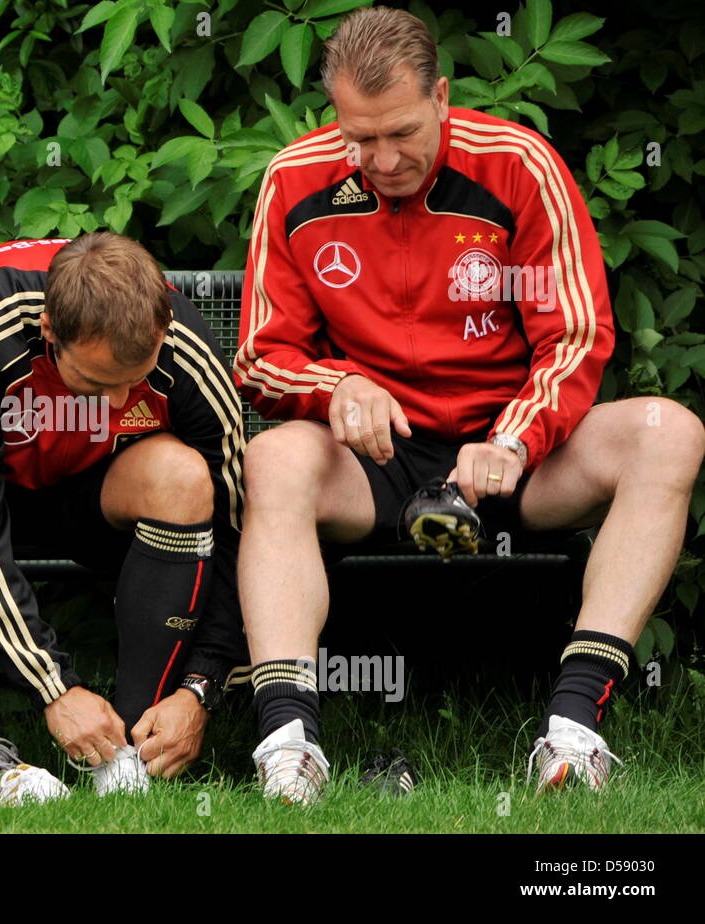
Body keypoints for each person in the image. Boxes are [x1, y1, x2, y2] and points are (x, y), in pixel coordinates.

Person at [233, 6, 704, 803]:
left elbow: (577, 336)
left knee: (670, 433)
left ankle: (572, 733)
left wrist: (515, 439)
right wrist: (334, 387)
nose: (380, 159)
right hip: (375, 458)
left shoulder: (519, 164)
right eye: (360, 136)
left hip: (515, 453)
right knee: (273, 456)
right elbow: (260, 355)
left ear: (443, 97)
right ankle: (289, 746)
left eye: (402, 133)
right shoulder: (294, 179)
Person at [0, 232, 247, 811]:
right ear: (50, 331)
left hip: (95, 490)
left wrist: (200, 686)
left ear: (162, 334)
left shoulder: (186, 345)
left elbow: (236, 525)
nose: (119, 400)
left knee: (182, 477)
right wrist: (53, 685)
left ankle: (130, 752)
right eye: (98, 383)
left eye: (136, 379)